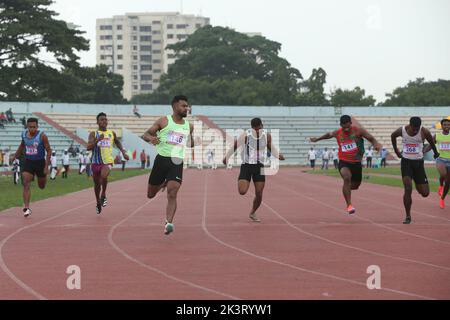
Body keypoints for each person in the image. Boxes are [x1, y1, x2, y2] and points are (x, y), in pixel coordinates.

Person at [142, 95, 194, 235]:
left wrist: (192, 142)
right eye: (183, 106)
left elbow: (190, 142)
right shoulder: (164, 121)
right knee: (150, 194)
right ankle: (163, 182)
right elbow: (146, 134)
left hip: (177, 161)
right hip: (162, 160)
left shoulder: (189, 126)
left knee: (173, 192)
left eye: (187, 106)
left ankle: (168, 222)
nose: (186, 108)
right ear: (175, 106)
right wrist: (151, 138)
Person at [310, 115, 382, 215]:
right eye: (344, 127)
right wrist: (317, 139)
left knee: (356, 185)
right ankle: (349, 205)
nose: (346, 129)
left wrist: (376, 145)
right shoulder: (338, 133)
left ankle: (345, 188)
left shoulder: (358, 131)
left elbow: (371, 138)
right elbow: (328, 135)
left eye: (348, 126)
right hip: (344, 161)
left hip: (356, 163)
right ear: (341, 125)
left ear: (351, 123)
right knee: (347, 178)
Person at [223, 117, 285, 222]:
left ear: (262, 126)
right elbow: (235, 146)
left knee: (259, 193)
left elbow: (271, 147)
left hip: (259, 166)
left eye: (259, 129)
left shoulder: (267, 136)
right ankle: (242, 181)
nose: (257, 131)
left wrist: (278, 155)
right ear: (252, 128)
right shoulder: (246, 135)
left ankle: (252, 212)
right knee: (242, 191)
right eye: (255, 129)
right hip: (246, 166)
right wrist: (226, 157)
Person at [391, 116, 439, 224]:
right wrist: (396, 151)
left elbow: (431, 142)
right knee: (408, 187)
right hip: (406, 162)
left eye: (417, 128)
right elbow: (392, 136)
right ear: (410, 125)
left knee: (425, 193)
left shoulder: (424, 131)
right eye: (414, 128)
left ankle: (418, 184)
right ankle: (408, 216)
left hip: (418, 163)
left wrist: (435, 153)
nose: (415, 130)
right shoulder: (402, 130)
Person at [87, 112, 129, 214]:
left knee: (104, 175)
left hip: (108, 161)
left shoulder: (112, 133)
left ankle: (104, 194)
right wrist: (97, 140)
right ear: (97, 122)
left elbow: (117, 142)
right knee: (97, 184)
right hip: (96, 162)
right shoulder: (93, 134)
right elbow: (88, 147)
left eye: (105, 119)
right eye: (102, 119)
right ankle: (97, 202)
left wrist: (123, 152)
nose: (104, 121)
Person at [12, 118, 52, 217]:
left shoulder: (42, 136)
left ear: (37, 127)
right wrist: (15, 156)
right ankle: (26, 208)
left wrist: (46, 166)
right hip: (28, 162)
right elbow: (22, 146)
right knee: (26, 183)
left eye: (34, 127)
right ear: (27, 127)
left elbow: (49, 151)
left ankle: (42, 179)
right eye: (30, 127)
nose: (32, 129)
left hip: (40, 163)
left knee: (41, 186)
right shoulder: (24, 135)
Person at [424, 118, 450, 209]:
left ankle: (442, 198)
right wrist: (423, 151)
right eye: (445, 125)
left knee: (448, 182)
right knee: (443, 173)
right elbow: (431, 145)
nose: (446, 126)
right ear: (442, 126)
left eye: (448, 125)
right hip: (441, 159)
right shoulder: (437, 136)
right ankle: (440, 185)